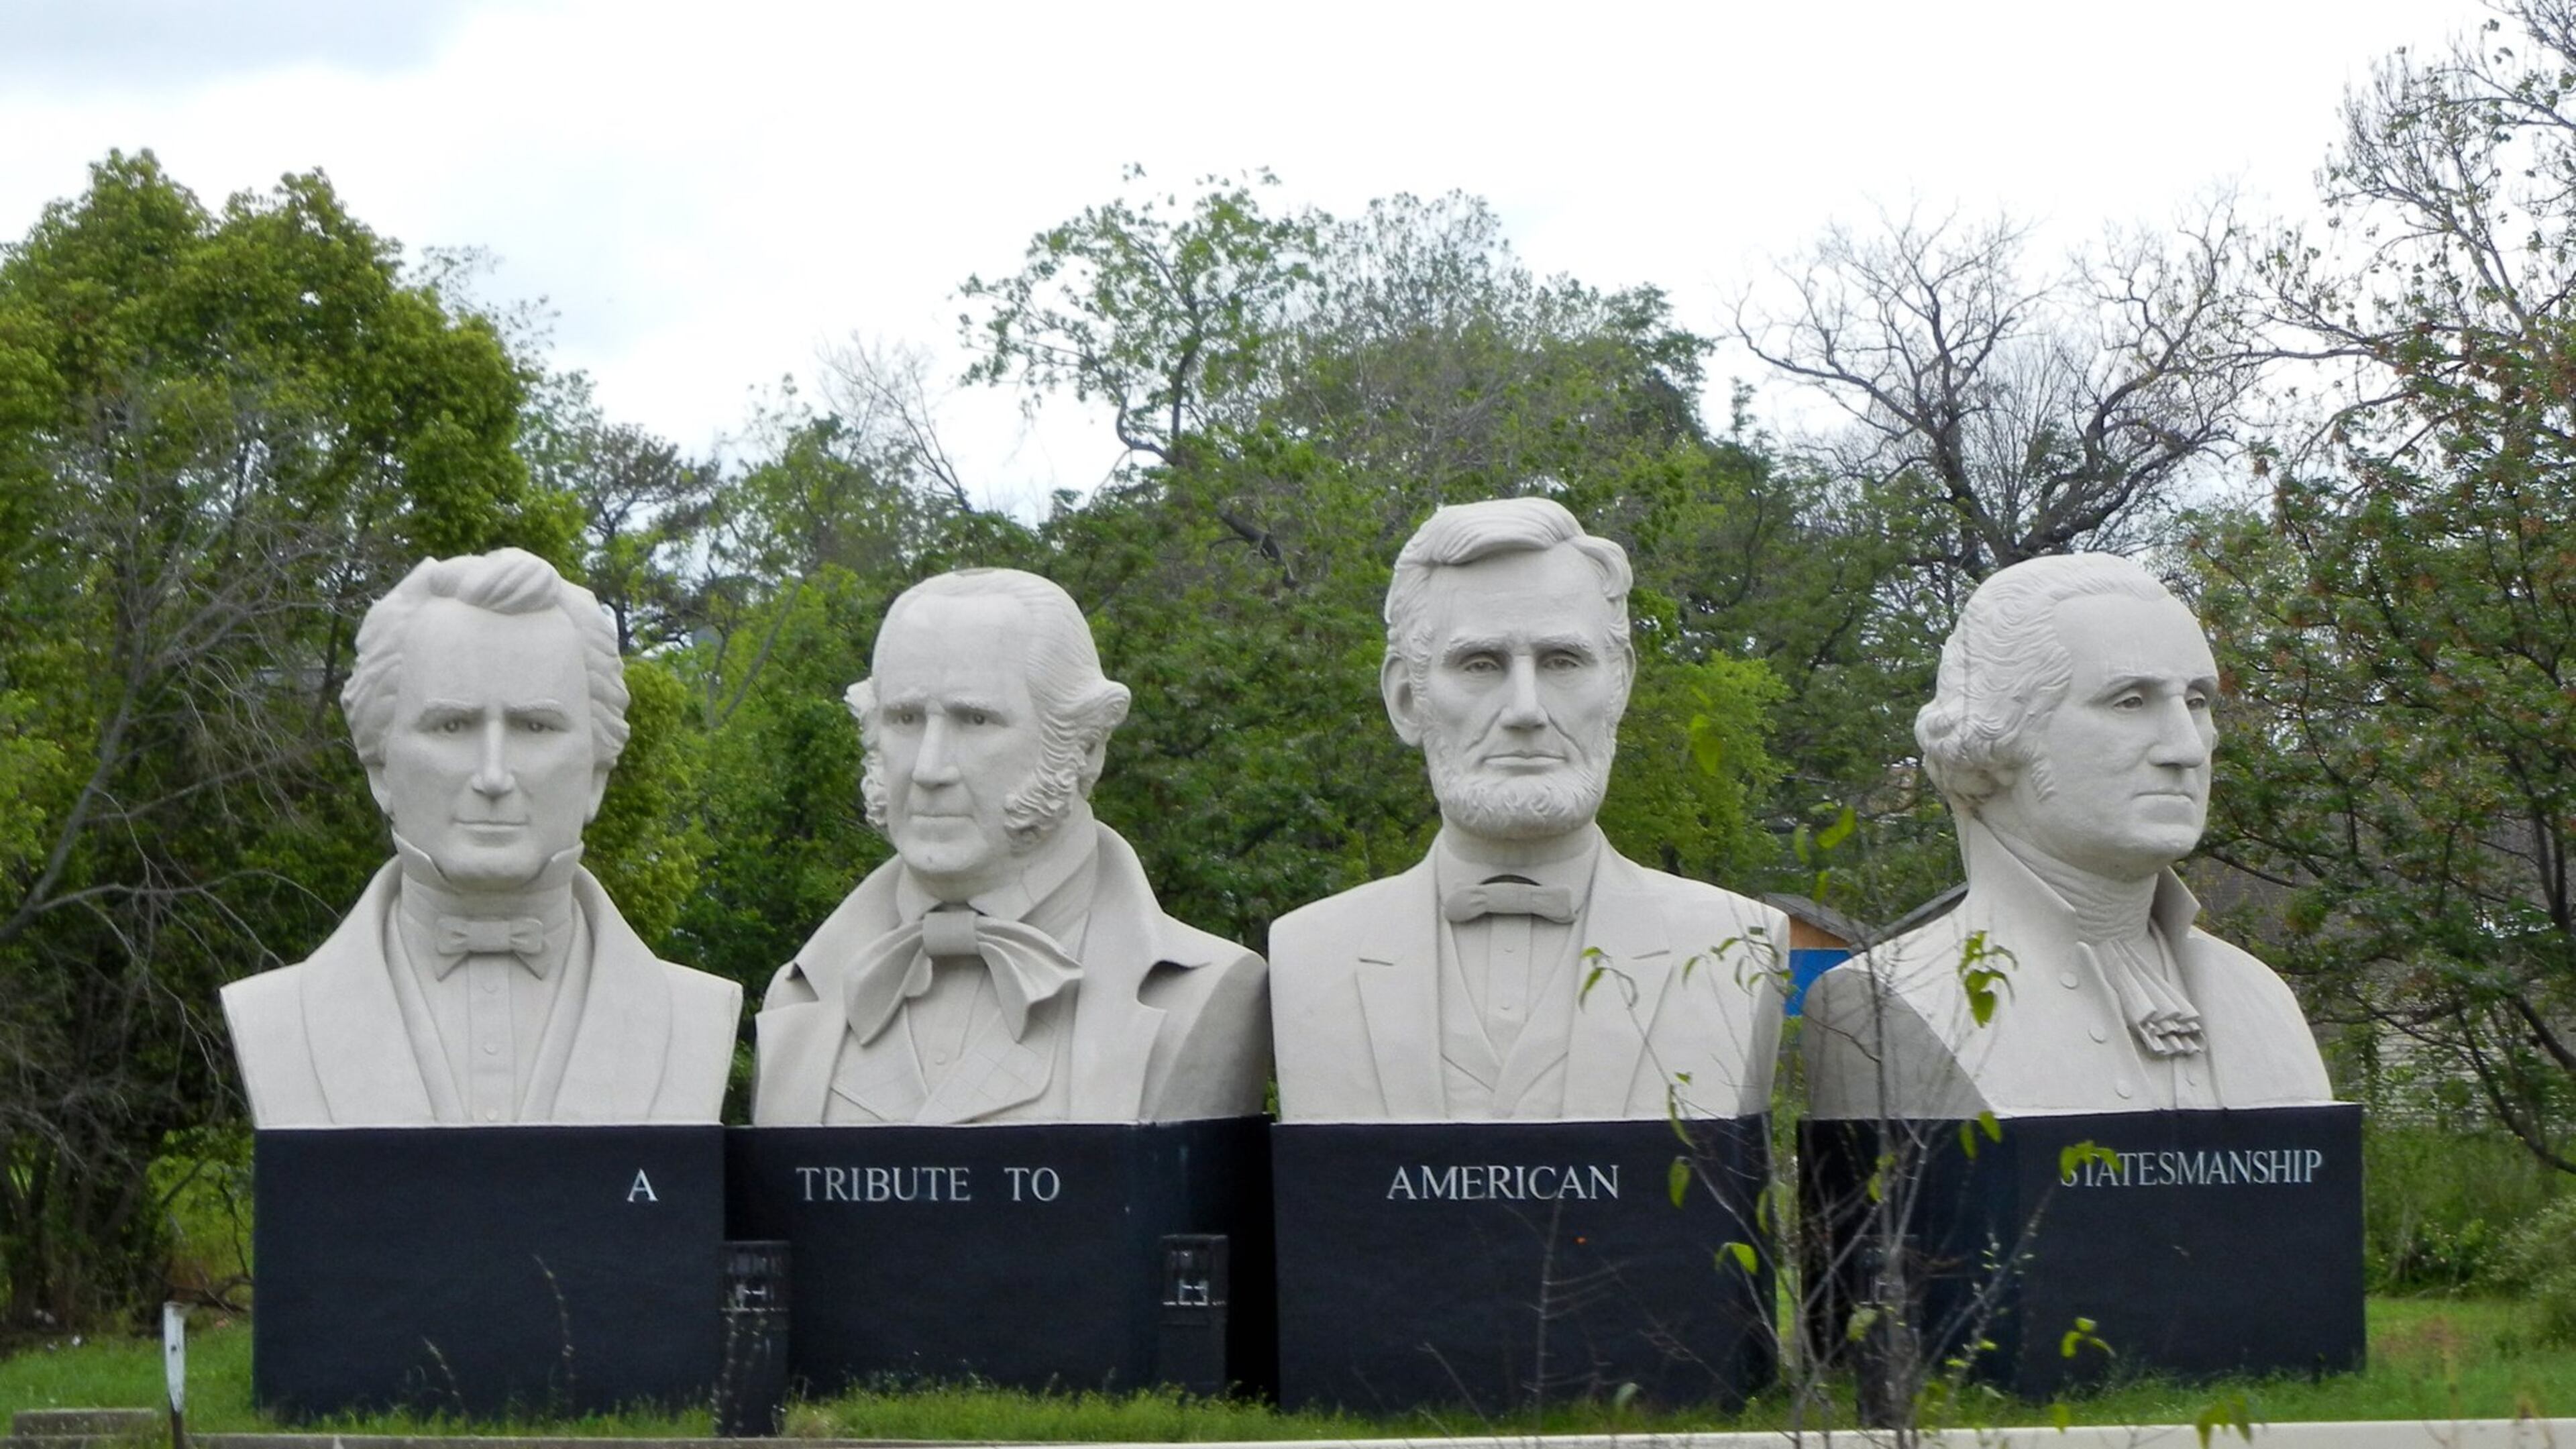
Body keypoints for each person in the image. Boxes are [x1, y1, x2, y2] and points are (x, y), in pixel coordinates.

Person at [1269, 497, 1782, 1122]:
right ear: (1407, 698)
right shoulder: (1308, 954)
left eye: (1562, 662)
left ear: (1619, 684)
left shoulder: (1738, 944)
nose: (1526, 708)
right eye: (1480, 664)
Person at [221, 549, 741, 1126]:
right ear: (380, 767)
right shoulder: (276, 1017)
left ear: (597, 772)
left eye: (535, 726)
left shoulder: (695, 1016)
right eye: (452, 725)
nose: (493, 776)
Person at [1803, 553, 2334, 1118]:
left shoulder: (2261, 998)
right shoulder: (1890, 1002)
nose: (2186, 747)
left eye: (2198, 701)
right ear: (2002, 733)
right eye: (2130, 701)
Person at [752, 568, 1268, 1124]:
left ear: (1086, 744)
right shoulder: (798, 996)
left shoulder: (1209, 992)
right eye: (903, 718)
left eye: (974, 720)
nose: (929, 768)